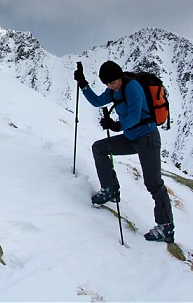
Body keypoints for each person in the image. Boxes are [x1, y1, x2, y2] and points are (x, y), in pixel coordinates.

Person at [74, 60, 175, 243]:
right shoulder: (114, 90)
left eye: (113, 82)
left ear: (120, 76)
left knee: (153, 183)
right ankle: (110, 189)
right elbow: (97, 101)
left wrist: (116, 125)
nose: (111, 86)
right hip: (131, 138)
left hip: (147, 138)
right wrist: (83, 84)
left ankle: (166, 227)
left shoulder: (133, 87)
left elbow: (135, 116)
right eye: (107, 84)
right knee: (99, 148)